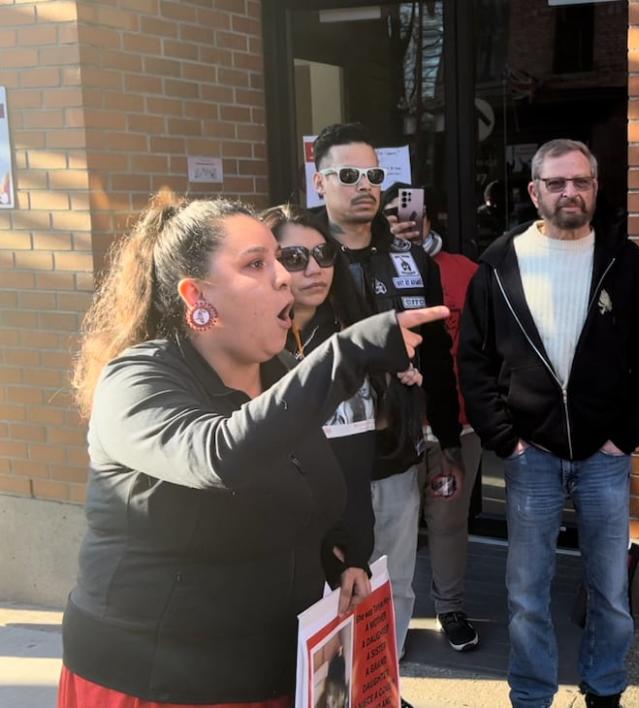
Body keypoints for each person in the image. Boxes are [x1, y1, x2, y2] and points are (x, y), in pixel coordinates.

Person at [60, 196, 446, 706]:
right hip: (155, 681)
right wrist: (349, 353)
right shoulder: (136, 380)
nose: (284, 276)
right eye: (255, 264)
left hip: (274, 670)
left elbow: (313, 490)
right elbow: (219, 455)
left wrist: (341, 558)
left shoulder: (280, 374)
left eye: (277, 260)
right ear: (196, 294)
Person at [458, 139, 639, 708]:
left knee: (610, 591)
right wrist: (506, 439)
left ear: (596, 189)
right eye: (556, 183)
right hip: (532, 457)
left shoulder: (625, 263)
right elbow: (474, 361)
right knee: (526, 592)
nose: (569, 192)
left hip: (605, 458)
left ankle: (604, 690)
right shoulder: (499, 265)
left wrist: (624, 436)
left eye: (580, 181)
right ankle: (531, 696)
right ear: (534, 192)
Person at [310, 122, 465, 659]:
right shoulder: (296, 253)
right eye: (348, 175)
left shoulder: (411, 258)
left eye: (373, 175)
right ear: (320, 179)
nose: (364, 186)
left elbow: (438, 354)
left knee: (394, 580)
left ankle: (383, 683)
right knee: (329, 588)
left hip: (397, 450)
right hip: (320, 458)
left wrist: (445, 439)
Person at [262, 204, 405, 607]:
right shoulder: (249, 349)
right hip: (268, 554)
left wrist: (353, 550)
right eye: (294, 258)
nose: (314, 269)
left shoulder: (348, 339)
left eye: (324, 255)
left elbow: (353, 462)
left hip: (339, 547)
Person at [380, 183, 485, 652]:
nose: (407, 221)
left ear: (430, 215)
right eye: (394, 214)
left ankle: (450, 608)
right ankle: (386, 624)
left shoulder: (464, 271)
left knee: (447, 522)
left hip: (455, 423)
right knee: (390, 530)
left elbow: (489, 346)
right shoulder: (368, 270)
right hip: (389, 430)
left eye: (414, 212)